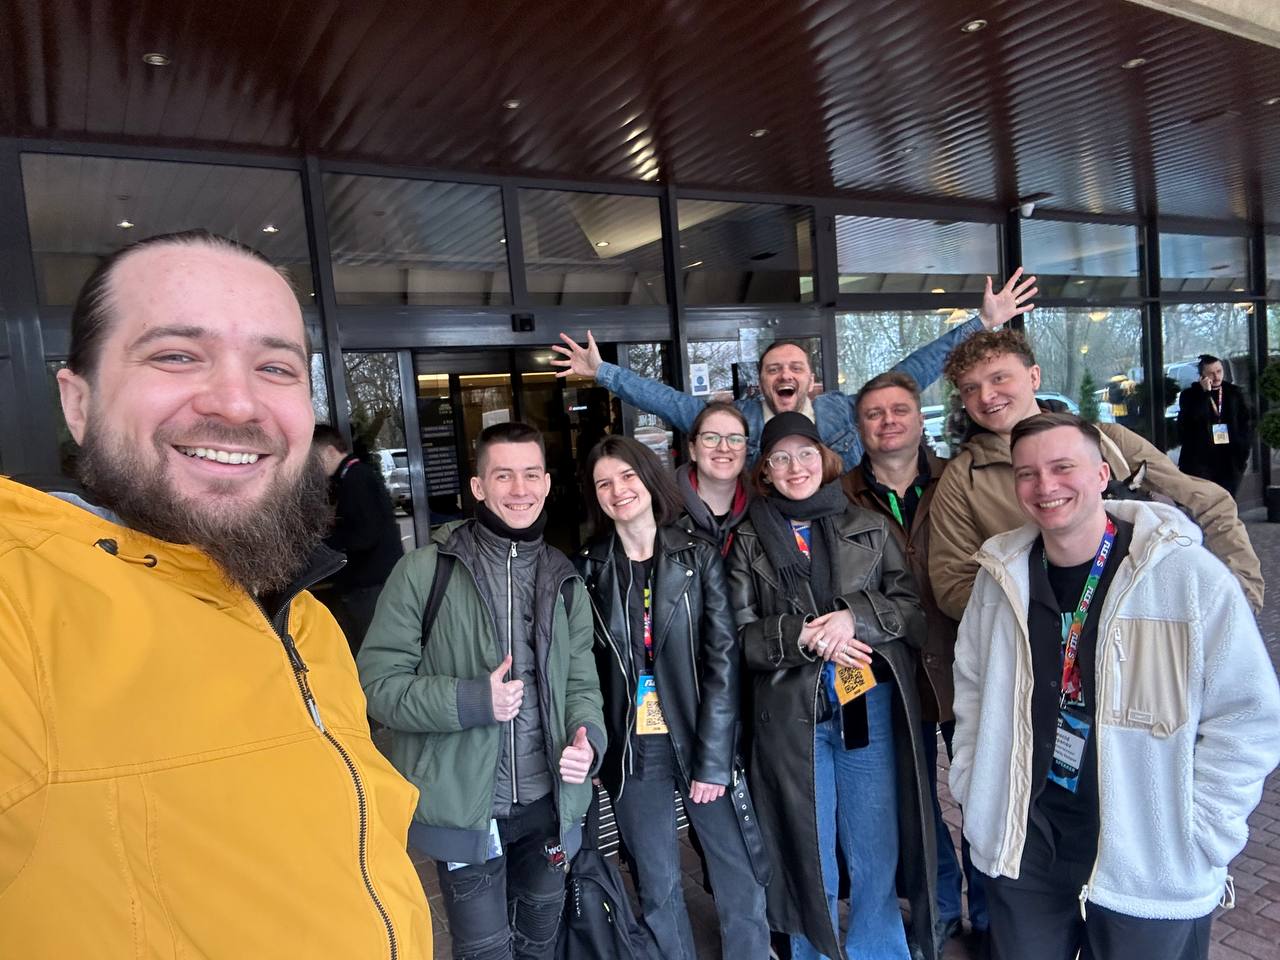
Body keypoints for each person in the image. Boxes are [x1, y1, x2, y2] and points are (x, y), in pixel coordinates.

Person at [0, 230, 432, 956]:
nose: (236, 403)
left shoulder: (305, 623)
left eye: (275, 367)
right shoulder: (20, 602)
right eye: (176, 355)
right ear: (78, 403)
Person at [949, 413, 1280, 959]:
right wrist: (973, 784)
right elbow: (973, 687)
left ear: (1103, 474)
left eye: (1063, 467)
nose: (1045, 485)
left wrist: (1204, 829)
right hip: (1028, 844)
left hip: (1150, 852)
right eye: (1027, 473)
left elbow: (1247, 715)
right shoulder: (1001, 576)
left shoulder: (1186, 575)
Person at [358, 421, 605, 960]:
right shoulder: (424, 572)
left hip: (550, 806)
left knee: (539, 943)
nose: (520, 489)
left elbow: (582, 682)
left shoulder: (564, 578)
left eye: (531, 474)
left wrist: (589, 740)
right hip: (467, 811)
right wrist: (470, 701)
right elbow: (376, 685)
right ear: (478, 486)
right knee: (484, 950)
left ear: (547, 484)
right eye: (503, 475)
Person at [726, 411, 936, 960]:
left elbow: (911, 613)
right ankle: (812, 952)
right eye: (780, 457)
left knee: (874, 845)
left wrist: (853, 618)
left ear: (824, 459)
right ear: (765, 471)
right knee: (807, 848)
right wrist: (804, 635)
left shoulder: (868, 526)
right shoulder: (747, 540)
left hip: (865, 705)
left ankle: (878, 950)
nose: (795, 467)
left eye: (805, 453)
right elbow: (741, 637)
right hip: (791, 715)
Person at [576, 435, 770, 959]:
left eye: (627, 476)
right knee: (657, 885)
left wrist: (714, 759)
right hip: (634, 748)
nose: (618, 490)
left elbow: (723, 662)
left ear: (648, 479)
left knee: (738, 876)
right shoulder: (590, 569)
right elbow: (585, 669)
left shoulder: (697, 555)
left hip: (700, 734)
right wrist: (597, 745)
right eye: (603, 483)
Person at [550, 271, 1039, 471]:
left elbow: (911, 373)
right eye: (773, 369)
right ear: (761, 381)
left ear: (810, 380)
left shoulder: (844, 411)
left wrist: (981, 324)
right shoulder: (737, 423)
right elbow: (670, 402)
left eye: (795, 367)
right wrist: (603, 371)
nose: (785, 375)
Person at [929, 329, 1263, 620]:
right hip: (1050, 657)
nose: (986, 396)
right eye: (970, 388)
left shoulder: (1108, 440)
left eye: (999, 378)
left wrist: (1240, 600)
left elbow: (1211, 503)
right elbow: (954, 586)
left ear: (1034, 377)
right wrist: (1046, 619)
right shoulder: (962, 479)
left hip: (1142, 636)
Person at [841, 372, 986, 953]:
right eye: (874, 413)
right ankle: (940, 907)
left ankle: (992, 910)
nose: (888, 421)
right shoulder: (842, 495)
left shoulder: (960, 478)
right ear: (859, 427)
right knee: (917, 803)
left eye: (899, 409)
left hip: (967, 661)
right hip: (891, 674)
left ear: (920, 418)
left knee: (983, 795)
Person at [312, 423, 404, 653]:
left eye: (314, 458)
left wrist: (327, 546)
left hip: (369, 582)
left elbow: (365, 534)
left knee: (368, 648)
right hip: (370, 579)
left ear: (330, 451)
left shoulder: (356, 479)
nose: (312, 466)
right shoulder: (355, 476)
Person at [675, 401, 752, 554]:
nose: (723, 448)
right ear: (693, 450)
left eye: (735, 439)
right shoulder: (665, 509)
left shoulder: (763, 511)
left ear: (745, 450)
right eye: (711, 438)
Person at [1176, 353, 1254, 498]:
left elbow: (1245, 422)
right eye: (1211, 373)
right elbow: (1192, 419)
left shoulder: (1233, 393)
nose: (1217, 377)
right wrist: (1205, 394)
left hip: (1229, 456)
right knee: (1205, 499)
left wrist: (1243, 450)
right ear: (1202, 376)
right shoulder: (1190, 395)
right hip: (1201, 458)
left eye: (1219, 371)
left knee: (1227, 498)